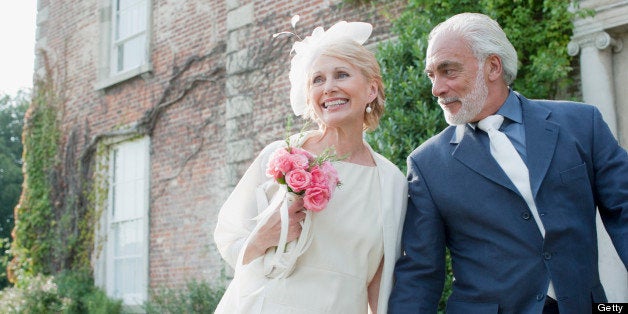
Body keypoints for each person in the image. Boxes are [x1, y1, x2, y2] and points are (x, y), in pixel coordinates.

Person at [388, 12, 628, 314]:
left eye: (448, 71)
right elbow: (420, 273)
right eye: (431, 75)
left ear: (492, 66)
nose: (436, 88)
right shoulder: (426, 164)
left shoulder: (582, 124)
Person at [214, 19, 407, 314]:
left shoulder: (391, 181)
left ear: (370, 90)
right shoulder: (279, 156)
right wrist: (266, 234)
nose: (329, 88)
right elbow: (230, 240)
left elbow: (380, 284)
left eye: (341, 75)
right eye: (318, 79)